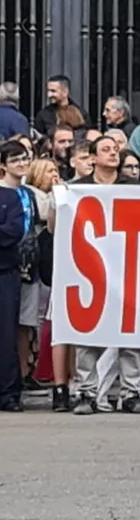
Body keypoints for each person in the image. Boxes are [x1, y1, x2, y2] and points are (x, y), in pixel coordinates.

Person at [0, 142, 28, 411]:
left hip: (5, 272)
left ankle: (8, 393)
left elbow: (14, 230)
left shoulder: (12, 197)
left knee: (7, 334)